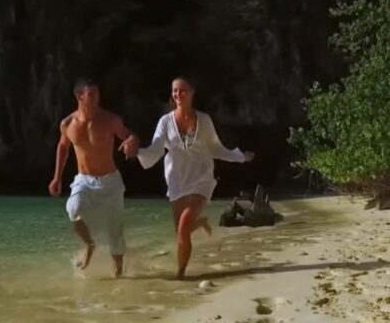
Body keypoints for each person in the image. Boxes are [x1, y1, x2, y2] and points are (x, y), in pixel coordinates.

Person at [134, 76, 254, 280]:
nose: (178, 94)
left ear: (192, 93)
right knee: (181, 231)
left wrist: (240, 157)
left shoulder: (204, 120)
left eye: (182, 90)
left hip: (201, 178)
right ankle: (200, 223)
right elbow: (155, 149)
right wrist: (137, 151)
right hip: (177, 180)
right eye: (174, 90)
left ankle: (180, 274)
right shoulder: (165, 122)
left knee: (183, 227)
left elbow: (215, 147)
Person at [48, 78, 140, 277]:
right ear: (79, 96)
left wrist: (132, 141)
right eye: (91, 95)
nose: (96, 98)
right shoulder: (67, 124)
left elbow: (128, 135)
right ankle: (89, 244)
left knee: (115, 232)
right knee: (74, 209)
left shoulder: (110, 120)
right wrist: (57, 177)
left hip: (110, 181)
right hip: (84, 179)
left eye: (97, 94)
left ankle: (118, 274)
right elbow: (63, 147)